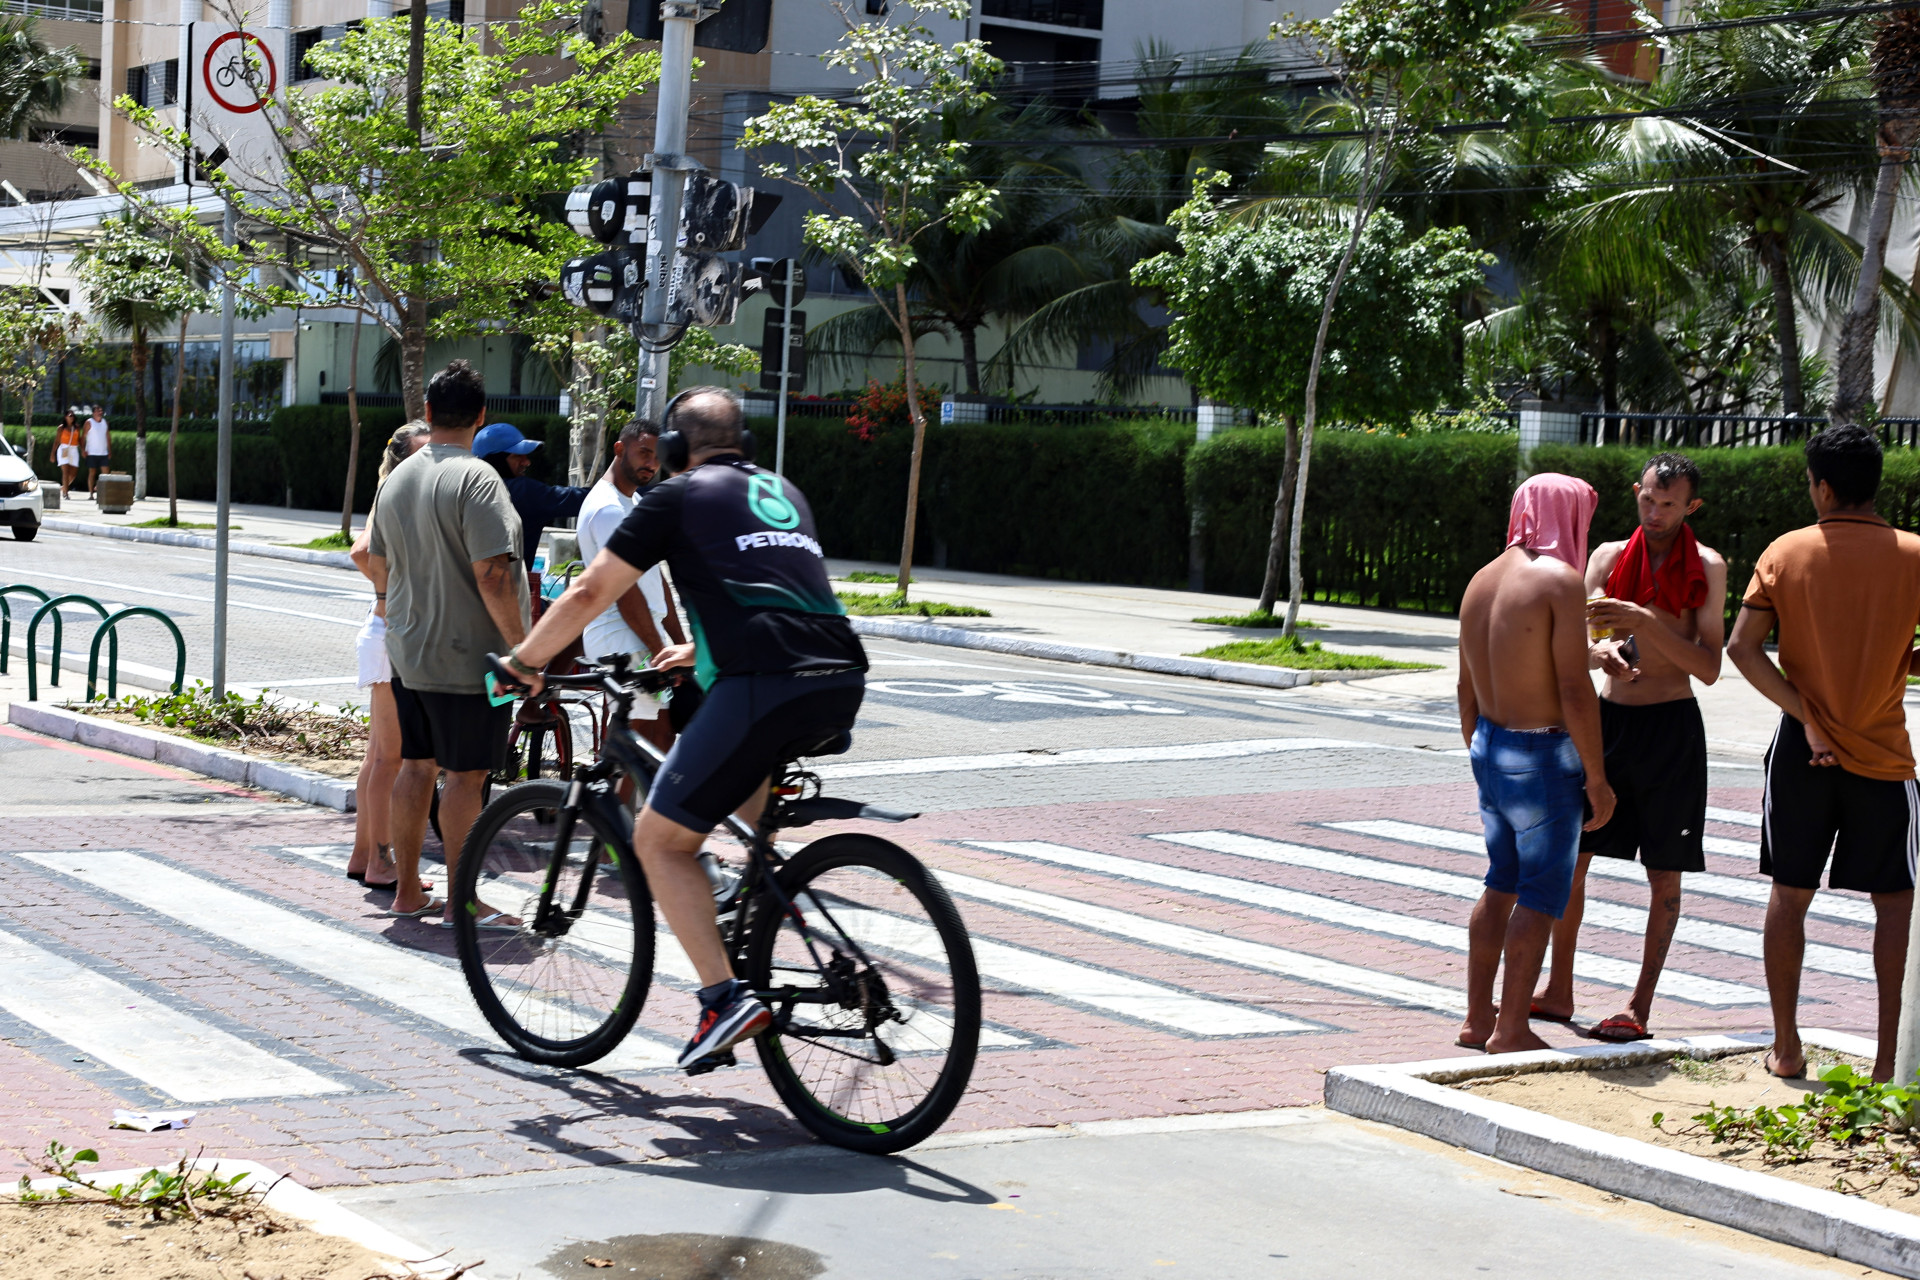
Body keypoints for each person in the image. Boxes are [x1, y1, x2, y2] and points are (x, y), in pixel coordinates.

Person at [497, 387, 867, 1071]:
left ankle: (722, 997)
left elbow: (589, 592)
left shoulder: (676, 497)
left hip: (763, 685)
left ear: (669, 451)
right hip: (838, 676)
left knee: (658, 842)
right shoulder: (780, 490)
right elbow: (776, 589)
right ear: (745, 446)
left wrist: (525, 662)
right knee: (737, 790)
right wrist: (695, 649)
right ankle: (752, 912)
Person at [1727, 424, 1920, 1083]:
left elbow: (1742, 649)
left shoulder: (1786, 551)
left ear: (1825, 487)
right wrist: (1895, 658)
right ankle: (1889, 1064)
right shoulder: (1913, 554)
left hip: (1800, 753)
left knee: (1790, 891)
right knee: (1896, 904)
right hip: (1886, 757)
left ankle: (1786, 1045)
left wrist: (1808, 714)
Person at [1532, 453, 1727, 1042]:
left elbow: (1709, 666)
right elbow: (1575, 634)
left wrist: (1644, 620)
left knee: (1665, 874)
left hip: (1672, 728)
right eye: (1648, 498)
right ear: (1636, 492)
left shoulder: (1709, 567)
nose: (1656, 512)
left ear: (1691, 506)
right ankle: (1558, 988)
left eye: (1669, 504)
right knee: (1574, 861)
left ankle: (1639, 1005)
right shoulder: (1609, 557)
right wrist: (1599, 652)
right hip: (1608, 722)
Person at [365, 362, 531, 927]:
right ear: (481, 418)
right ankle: (464, 898)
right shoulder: (479, 478)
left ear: (429, 413)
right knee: (465, 778)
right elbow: (493, 574)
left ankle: (408, 893)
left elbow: (378, 560)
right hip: (469, 656)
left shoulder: (398, 478)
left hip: (409, 650)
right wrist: (523, 650)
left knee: (415, 767)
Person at [1456, 473, 1616, 1055]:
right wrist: (1596, 777)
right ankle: (1511, 1027)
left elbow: (1465, 686)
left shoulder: (1482, 580)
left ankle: (1477, 1019)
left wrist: (1483, 753)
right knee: (1542, 893)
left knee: (1499, 882)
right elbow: (1574, 691)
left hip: (1490, 743)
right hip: (1542, 752)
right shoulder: (1559, 580)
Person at [346, 422, 432, 890]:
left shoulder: (397, 495)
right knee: (390, 759)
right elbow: (361, 552)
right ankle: (381, 862)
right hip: (387, 634)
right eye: (421, 452)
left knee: (378, 755)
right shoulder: (394, 496)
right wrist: (390, 592)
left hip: (384, 632)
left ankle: (364, 854)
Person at [575, 419, 685, 751]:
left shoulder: (632, 503)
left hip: (641, 633)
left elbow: (655, 578)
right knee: (635, 744)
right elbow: (625, 592)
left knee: (661, 736)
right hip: (620, 635)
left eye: (657, 456)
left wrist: (678, 645)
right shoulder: (609, 509)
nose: (652, 463)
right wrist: (660, 652)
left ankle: (635, 804)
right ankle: (608, 804)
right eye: (644, 453)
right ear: (619, 449)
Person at [470, 422, 590, 571]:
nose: (527, 462)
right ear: (497, 460)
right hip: (508, 588)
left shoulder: (467, 489)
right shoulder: (521, 491)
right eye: (517, 456)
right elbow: (575, 499)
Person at [82, 403, 109, 499]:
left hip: (103, 452)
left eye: (101, 411)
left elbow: (107, 436)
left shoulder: (105, 422)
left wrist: (109, 450)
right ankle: (90, 494)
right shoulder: (89, 422)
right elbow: (83, 437)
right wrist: (83, 450)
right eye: (98, 411)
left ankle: (100, 490)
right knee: (92, 473)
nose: (100, 413)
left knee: (105, 474)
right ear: (93, 413)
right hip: (92, 452)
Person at [54, 409, 83, 498]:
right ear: (65, 417)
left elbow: (79, 439)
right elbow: (57, 441)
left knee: (73, 473)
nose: (72, 417)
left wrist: (83, 450)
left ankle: (64, 487)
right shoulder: (61, 428)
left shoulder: (77, 427)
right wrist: (52, 454)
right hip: (64, 449)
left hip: (73, 449)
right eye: (70, 416)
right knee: (65, 471)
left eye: (73, 416)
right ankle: (65, 493)